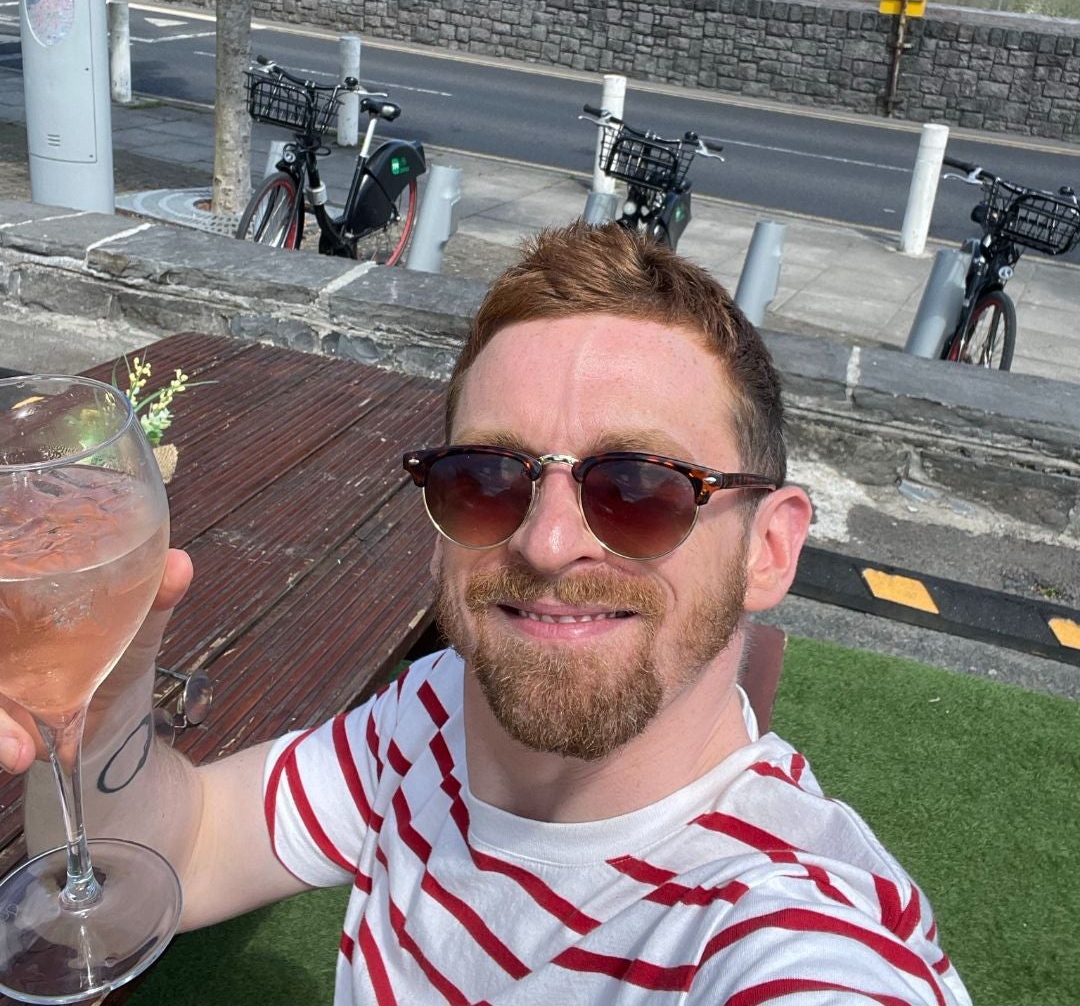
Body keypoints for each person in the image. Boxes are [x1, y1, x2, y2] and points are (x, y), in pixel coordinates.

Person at [2, 222, 971, 1004]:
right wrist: (104, 681)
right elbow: (183, 849)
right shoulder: (435, 717)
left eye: (638, 488)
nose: (548, 543)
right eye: (488, 478)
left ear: (771, 547)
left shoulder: (793, 938)